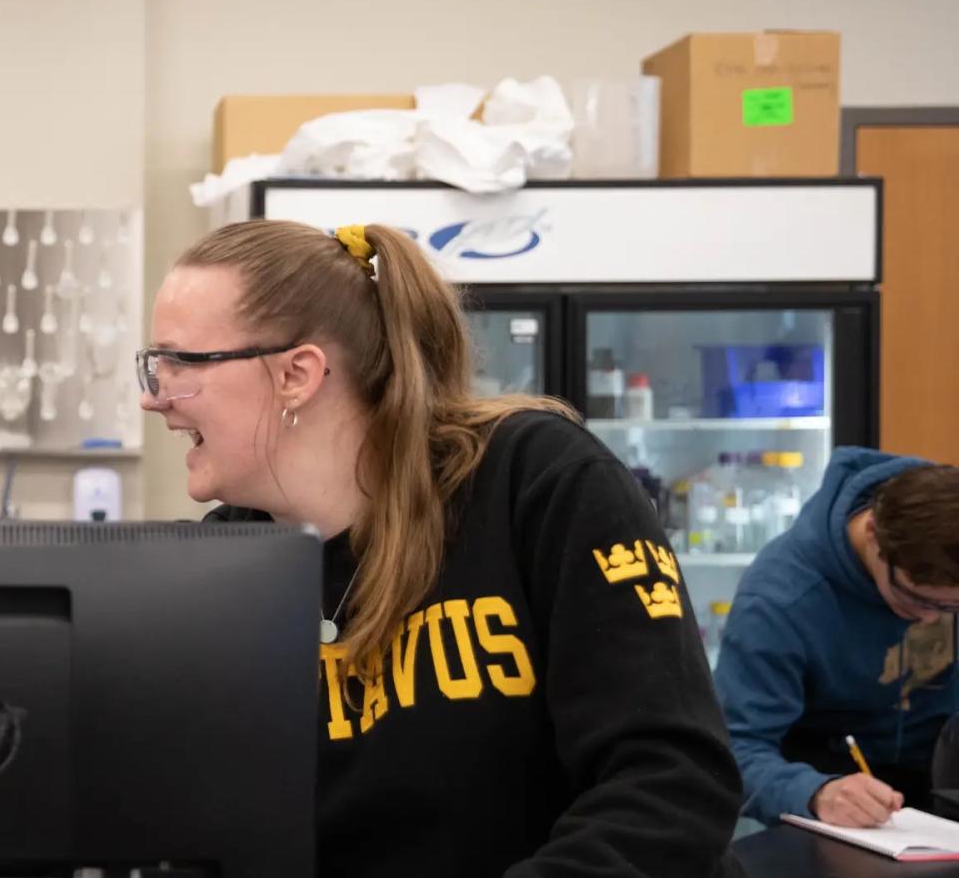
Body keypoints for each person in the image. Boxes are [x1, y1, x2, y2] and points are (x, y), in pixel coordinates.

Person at [139, 220, 741, 876]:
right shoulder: (223, 566)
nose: (153, 396)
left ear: (296, 374)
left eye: (180, 363)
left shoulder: (539, 483)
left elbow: (672, 783)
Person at [716, 450, 959, 828]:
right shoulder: (779, 601)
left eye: (950, 607)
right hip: (838, 813)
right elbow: (733, 752)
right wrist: (814, 793)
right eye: (916, 598)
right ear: (872, 534)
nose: (931, 617)